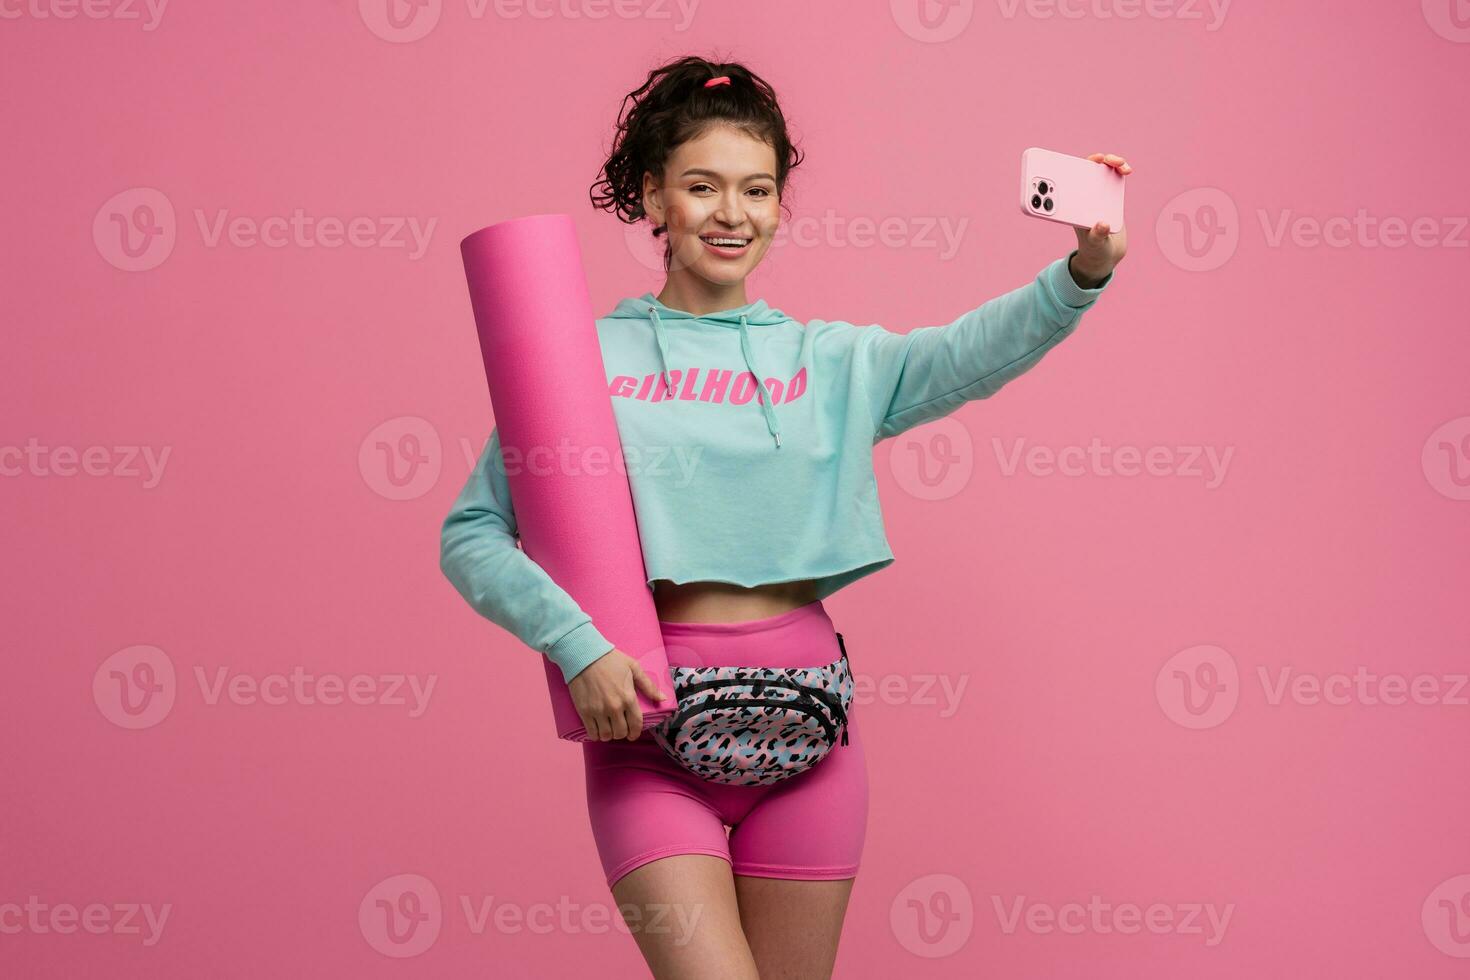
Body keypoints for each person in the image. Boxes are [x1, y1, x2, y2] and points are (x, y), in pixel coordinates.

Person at [440, 53, 1129, 980]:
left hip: (815, 748)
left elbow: (971, 352)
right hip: (652, 750)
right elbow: (472, 533)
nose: (733, 213)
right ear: (653, 197)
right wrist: (579, 645)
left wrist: (1082, 269)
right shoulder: (578, 359)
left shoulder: (832, 361)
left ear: (779, 203)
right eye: (702, 186)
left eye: (757, 189)